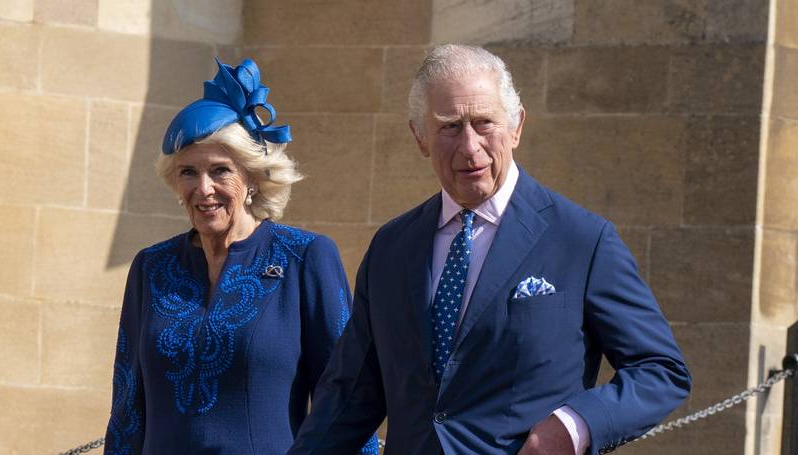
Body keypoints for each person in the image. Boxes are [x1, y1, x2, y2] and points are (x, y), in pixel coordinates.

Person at [289, 45, 691, 455]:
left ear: (516, 126)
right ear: (420, 137)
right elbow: (349, 396)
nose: (469, 146)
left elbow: (660, 372)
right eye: (449, 126)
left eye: (484, 123)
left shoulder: (583, 240)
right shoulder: (392, 248)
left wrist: (572, 426)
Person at [104, 58, 379, 454]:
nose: (204, 189)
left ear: (251, 176)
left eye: (220, 171)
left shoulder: (304, 258)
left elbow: (347, 400)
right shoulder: (152, 267)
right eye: (187, 173)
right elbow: (128, 406)